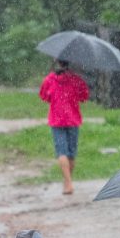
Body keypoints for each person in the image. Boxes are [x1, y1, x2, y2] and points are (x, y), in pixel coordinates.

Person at [39, 60, 90, 195]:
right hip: (73, 120)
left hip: (56, 120)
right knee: (71, 153)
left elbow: (44, 96)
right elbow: (84, 97)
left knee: (61, 152)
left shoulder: (50, 79)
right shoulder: (77, 80)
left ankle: (68, 182)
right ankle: (68, 182)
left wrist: (55, 99)